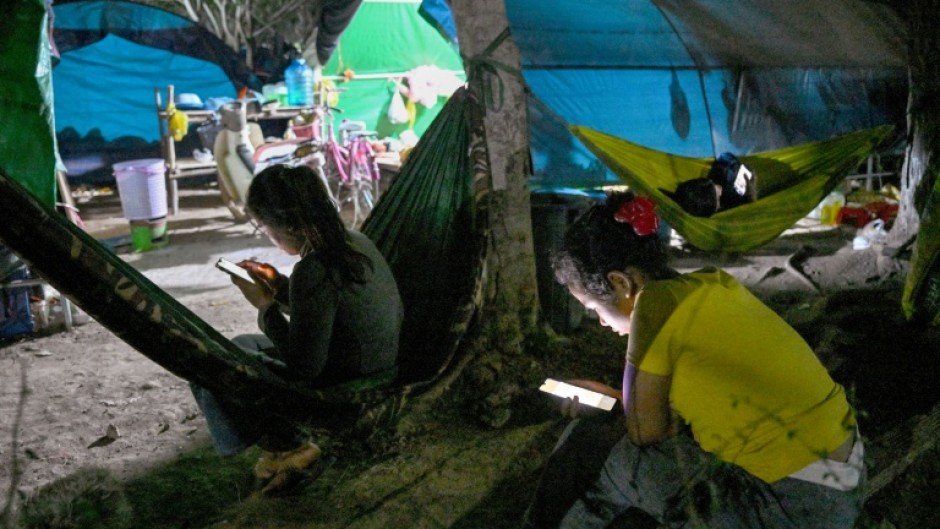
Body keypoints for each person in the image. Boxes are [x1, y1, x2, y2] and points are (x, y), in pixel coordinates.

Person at [525, 192, 863, 528]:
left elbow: (644, 433)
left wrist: (608, 409)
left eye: (595, 309)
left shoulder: (653, 304)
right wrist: (607, 397)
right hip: (839, 486)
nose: (601, 322)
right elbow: (675, 418)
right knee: (643, 459)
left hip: (790, 507)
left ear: (620, 282)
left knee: (592, 449)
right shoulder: (712, 284)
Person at [191, 163, 404, 496]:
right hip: (379, 363)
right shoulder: (354, 241)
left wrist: (265, 306)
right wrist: (277, 284)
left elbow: (305, 369)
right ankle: (280, 447)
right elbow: (322, 308)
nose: (267, 235)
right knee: (241, 344)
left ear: (286, 225)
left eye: (265, 226)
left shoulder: (315, 268)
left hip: (353, 382)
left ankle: (291, 447)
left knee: (212, 366)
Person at [668, 152, 757, 217]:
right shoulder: (724, 213)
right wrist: (751, 198)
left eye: (713, 184)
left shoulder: (721, 171)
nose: (720, 188)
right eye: (717, 198)